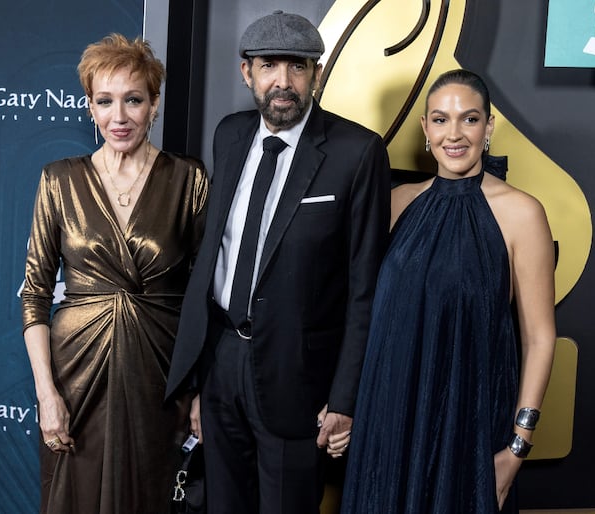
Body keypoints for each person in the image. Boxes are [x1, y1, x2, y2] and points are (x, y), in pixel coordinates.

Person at [165, 10, 391, 514]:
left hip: (299, 374)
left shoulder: (356, 152)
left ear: (317, 72)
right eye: (269, 65)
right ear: (247, 72)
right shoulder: (229, 135)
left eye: (298, 66)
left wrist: (346, 400)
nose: (283, 82)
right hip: (222, 360)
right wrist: (202, 383)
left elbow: (364, 288)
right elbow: (214, 257)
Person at [340, 69, 557, 514]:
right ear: (425, 129)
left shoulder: (521, 213)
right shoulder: (398, 202)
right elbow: (364, 312)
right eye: (440, 120)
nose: (454, 134)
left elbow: (539, 338)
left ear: (489, 126)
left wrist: (517, 447)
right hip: (388, 421)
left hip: (469, 428)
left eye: (469, 119)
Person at [21, 33, 209, 513]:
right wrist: (47, 394)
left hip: (160, 377)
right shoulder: (58, 179)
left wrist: (201, 390)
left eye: (133, 100)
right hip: (74, 376)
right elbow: (35, 293)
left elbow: (204, 294)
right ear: (89, 106)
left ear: (155, 104)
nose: (119, 116)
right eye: (105, 101)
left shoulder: (189, 180)